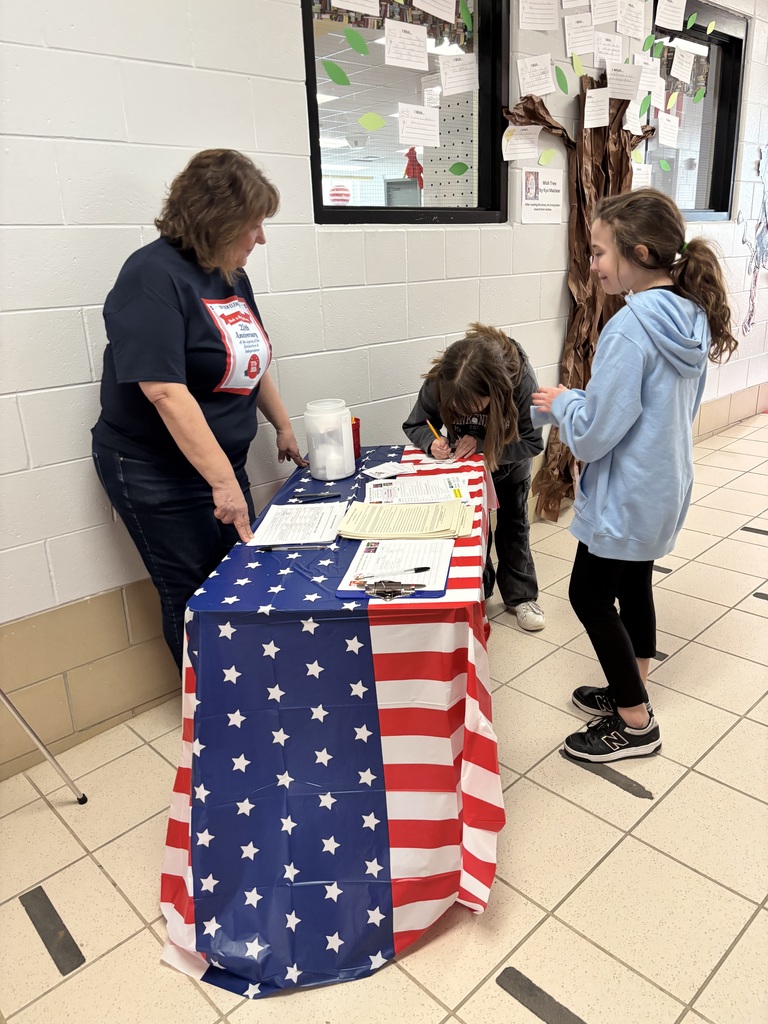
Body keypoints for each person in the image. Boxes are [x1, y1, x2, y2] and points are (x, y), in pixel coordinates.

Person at [531, 188, 737, 763]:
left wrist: (564, 403)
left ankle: (634, 721)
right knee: (632, 584)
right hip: (663, 485)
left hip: (626, 493)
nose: (591, 266)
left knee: (586, 595)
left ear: (638, 253)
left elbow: (596, 433)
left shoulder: (629, 329)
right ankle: (634, 685)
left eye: (598, 253)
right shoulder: (688, 313)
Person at [92, 149, 305, 670]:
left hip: (214, 462)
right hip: (155, 469)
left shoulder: (228, 271)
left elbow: (249, 359)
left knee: (237, 576)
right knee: (194, 592)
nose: (262, 238)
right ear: (218, 222)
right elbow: (165, 392)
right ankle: (209, 711)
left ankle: (246, 688)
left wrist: (282, 424)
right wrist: (224, 483)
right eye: (254, 226)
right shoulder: (150, 278)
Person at [403, 323, 546, 631]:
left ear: (494, 390)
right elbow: (415, 424)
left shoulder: (522, 383)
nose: (463, 412)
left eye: (472, 407)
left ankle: (521, 598)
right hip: (465, 474)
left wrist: (484, 446)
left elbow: (534, 442)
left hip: (510, 469)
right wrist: (432, 442)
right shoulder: (442, 379)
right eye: (456, 408)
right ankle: (479, 594)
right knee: (473, 534)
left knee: (514, 529)